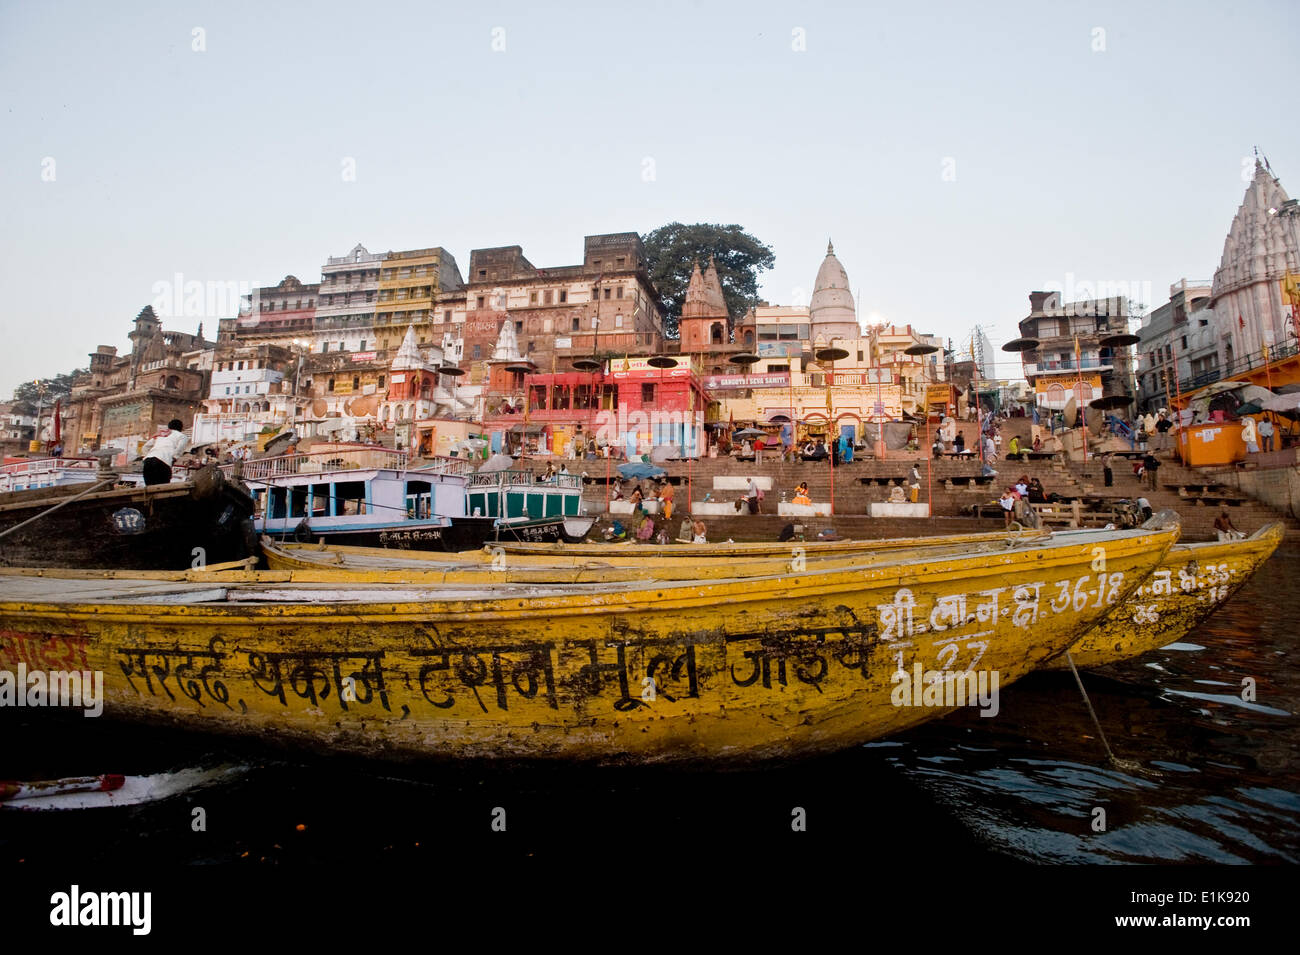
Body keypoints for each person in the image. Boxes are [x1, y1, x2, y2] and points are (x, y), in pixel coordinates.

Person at [141, 419, 189, 486]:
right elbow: (179, 449)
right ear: (181, 428)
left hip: (148, 461)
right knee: (162, 488)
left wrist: (146, 456)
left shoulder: (162, 434)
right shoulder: (182, 436)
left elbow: (145, 447)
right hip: (163, 462)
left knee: (149, 487)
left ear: (169, 427)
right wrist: (174, 458)